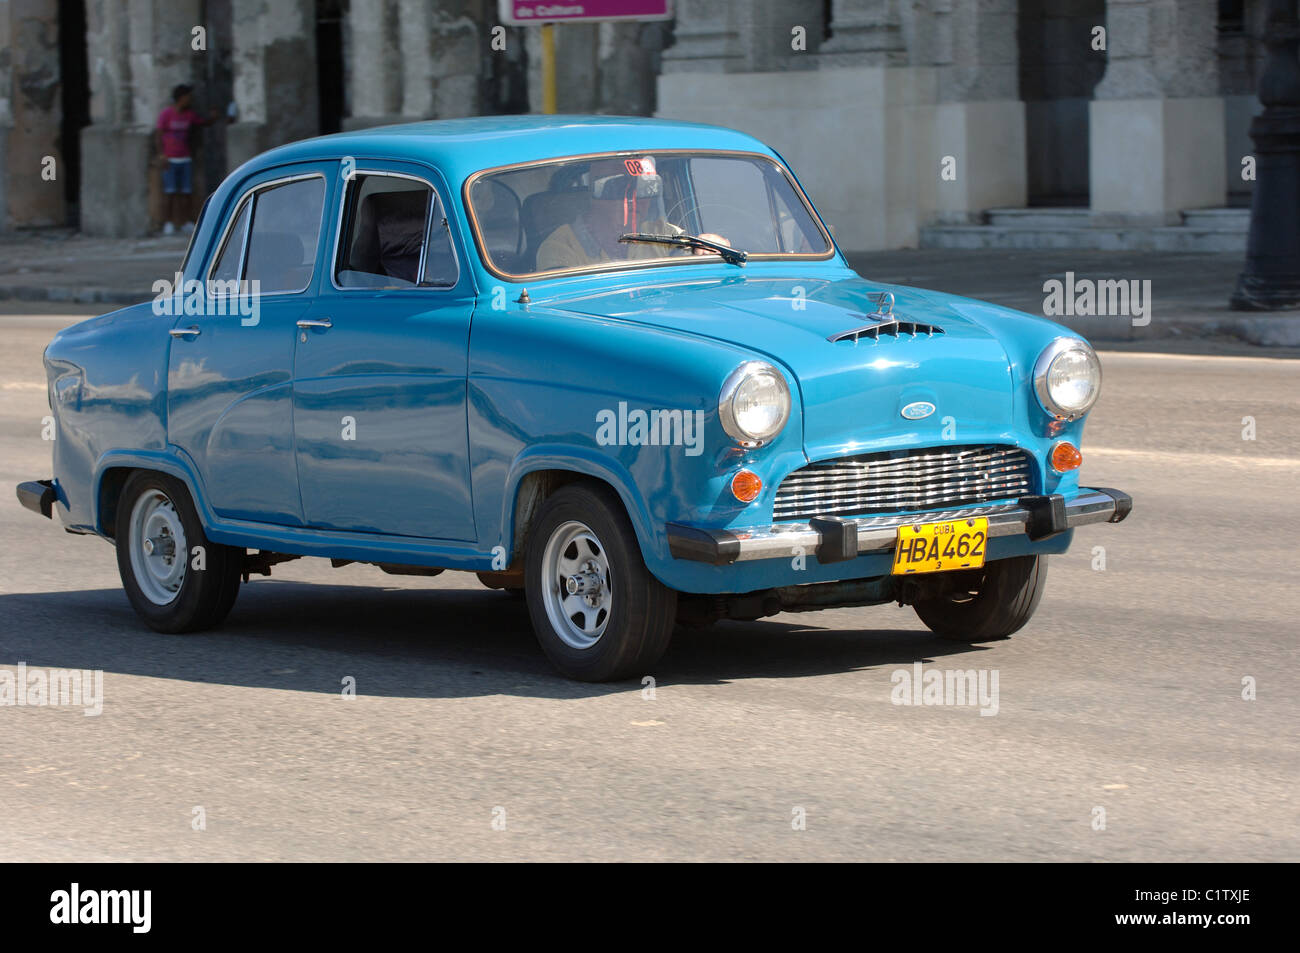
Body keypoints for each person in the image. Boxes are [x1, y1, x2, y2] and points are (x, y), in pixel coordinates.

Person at [536, 157, 730, 271]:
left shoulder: (659, 232)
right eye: (619, 187)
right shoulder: (560, 246)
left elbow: (694, 250)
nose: (635, 198)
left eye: (645, 188)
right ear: (597, 196)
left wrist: (710, 244)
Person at [154, 84, 217, 235]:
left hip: (185, 158)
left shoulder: (189, 115)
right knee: (170, 193)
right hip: (170, 159)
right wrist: (161, 155)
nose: (190, 100)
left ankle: (186, 222)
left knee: (186, 192)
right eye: (188, 97)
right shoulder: (166, 114)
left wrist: (214, 117)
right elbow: (159, 135)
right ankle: (168, 223)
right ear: (181, 98)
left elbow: (203, 123)